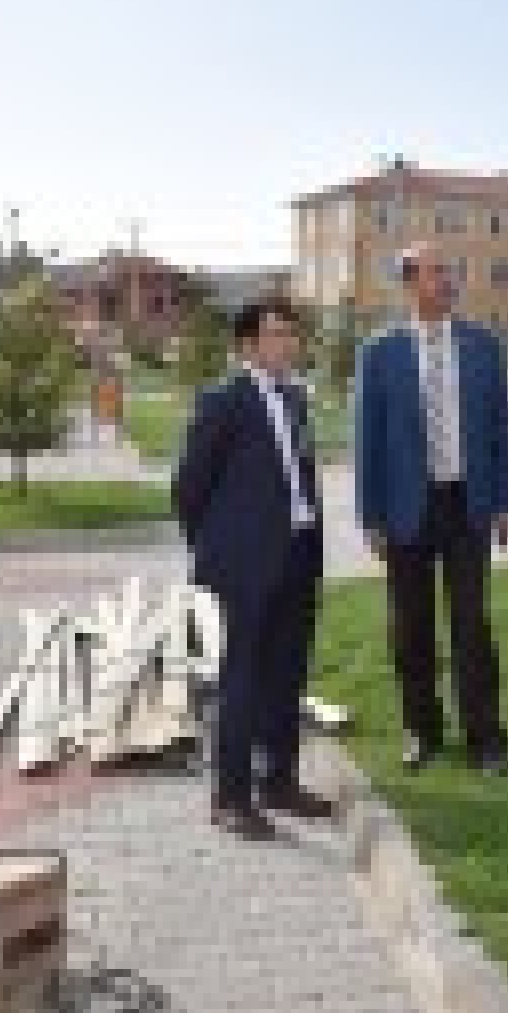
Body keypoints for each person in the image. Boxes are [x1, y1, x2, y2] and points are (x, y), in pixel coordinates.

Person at [172, 297, 334, 840]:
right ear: (247, 345)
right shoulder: (223, 401)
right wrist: (215, 552)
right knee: (239, 679)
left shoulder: (295, 399)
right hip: (240, 567)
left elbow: (299, 475)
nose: (289, 344)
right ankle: (230, 798)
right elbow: (189, 487)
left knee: (287, 673)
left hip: (297, 555)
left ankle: (279, 781)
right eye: (276, 335)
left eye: (292, 334)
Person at [353, 245, 508, 773]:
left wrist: (505, 502)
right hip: (407, 508)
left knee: (472, 624)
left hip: (468, 503)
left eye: (451, 271)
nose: (449, 280)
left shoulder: (484, 346)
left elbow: (501, 427)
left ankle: (485, 737)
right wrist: (371, 516)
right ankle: (422, 731)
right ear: (410, 284)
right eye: (437, 272)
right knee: (411, 626)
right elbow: (368, 439)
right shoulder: (380, 352)